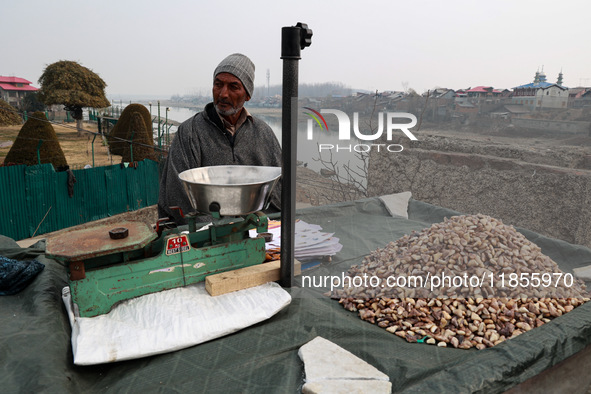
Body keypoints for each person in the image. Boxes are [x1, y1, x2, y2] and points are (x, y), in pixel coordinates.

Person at [158, 53, 282, 224]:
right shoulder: (189, 133)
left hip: (257, 237)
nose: (223, 94)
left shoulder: (263, 133)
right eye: (218, 85)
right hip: (207, 241)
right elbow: (178, 194)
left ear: (247, 95)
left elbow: (279, 190)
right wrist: (219, 233)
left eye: (233, 87)